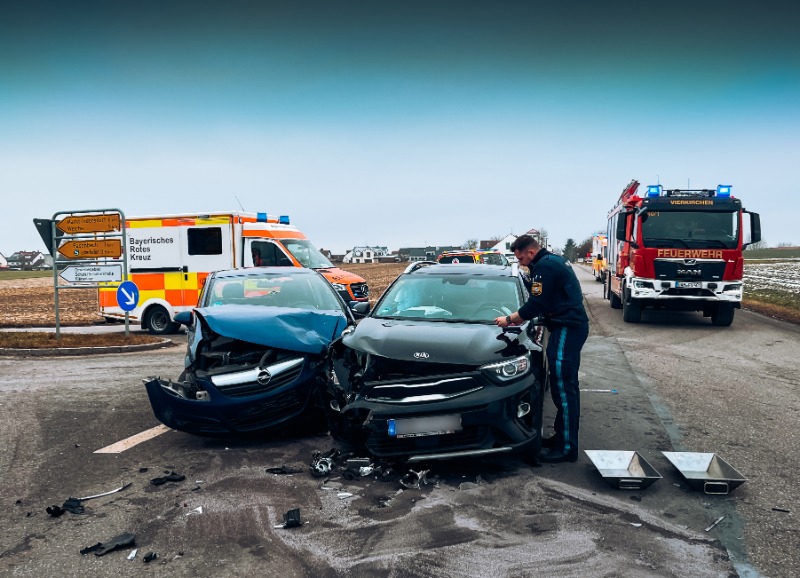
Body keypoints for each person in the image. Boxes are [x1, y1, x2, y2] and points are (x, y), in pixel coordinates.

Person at [495, 235, 589, 463]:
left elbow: (536, 304)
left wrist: (509, 320)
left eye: (520, 258)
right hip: (566, 327)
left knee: (564, 388)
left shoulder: (545, 267)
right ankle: (561, 439)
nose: (520, 263)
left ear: (530, 252)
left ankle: (566, 448)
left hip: (567, 328)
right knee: (563, 387)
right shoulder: (551, 262)